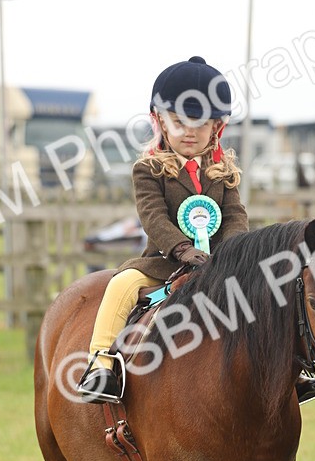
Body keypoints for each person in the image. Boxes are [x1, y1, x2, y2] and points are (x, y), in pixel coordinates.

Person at [76, 56, 249, 402]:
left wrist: (230, 254)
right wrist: (184, 249)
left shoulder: (224, 173)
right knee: (121, 284)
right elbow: (152, 217)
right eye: (179, 121)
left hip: (219, 265)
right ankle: (100, 364)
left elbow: (235, 216)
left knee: (266, 290)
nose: (189, 131)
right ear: (161, 122)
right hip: (165, 263)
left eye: (199, 123)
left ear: (216, 127)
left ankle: (290, 370)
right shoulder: (149, 169)